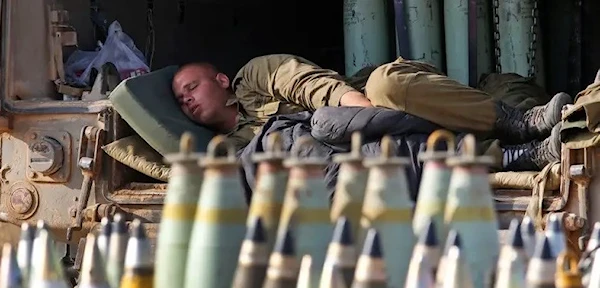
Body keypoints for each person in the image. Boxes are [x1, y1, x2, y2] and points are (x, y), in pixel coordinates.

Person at [172, 54, 572, 171]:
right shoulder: (231, 149)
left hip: (383, 98)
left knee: (386, 85)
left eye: (191, 87)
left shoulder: (253, 77)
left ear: (221, 80)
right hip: (376, 146)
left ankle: (520, 123)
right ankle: (521, 157)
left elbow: (314, 86)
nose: (187, 99)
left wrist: (367, 114)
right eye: (180, 100)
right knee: (370, 154)